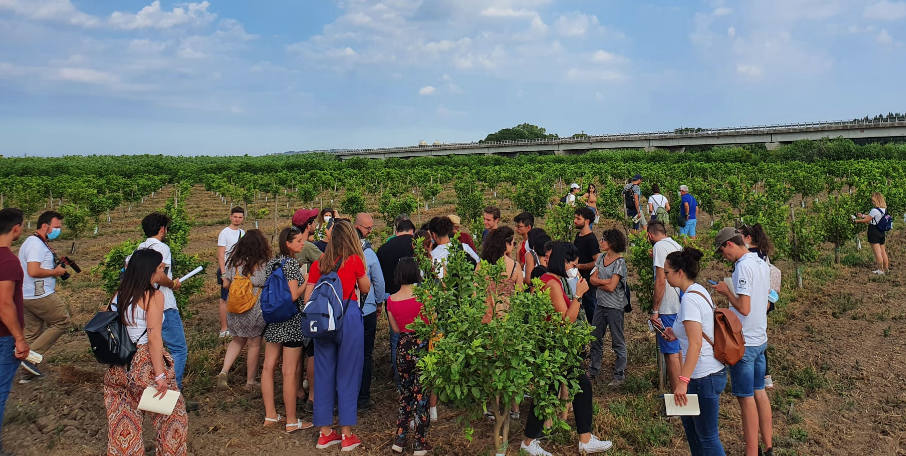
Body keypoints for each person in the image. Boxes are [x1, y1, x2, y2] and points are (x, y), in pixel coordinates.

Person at [520, 243, 613, 456]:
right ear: (562, 261)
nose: (575, 268)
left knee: (578, 387)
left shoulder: (549, 280)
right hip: (556, 347)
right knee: (555, 391)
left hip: (556, 347)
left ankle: (584, 439)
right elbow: (565, 321)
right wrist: (579, 296)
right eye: (573, 263)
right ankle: (529, 442)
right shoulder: (552, 283)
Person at [103, 249, 188, 456]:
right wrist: (160, 375)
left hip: (119, 364)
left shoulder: (119, 293)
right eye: (160, 268)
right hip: (144, 362)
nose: (162, 272)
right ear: (150, 270)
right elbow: (154, 337)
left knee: (123, 423)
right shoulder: (154, 296)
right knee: (172, 418)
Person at [303, 220, 371, 451]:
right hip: (348, 316)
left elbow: (307, 299)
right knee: (348, 374)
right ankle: (346, 435)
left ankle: (324, 433)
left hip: (323, 321)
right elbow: (365, 289)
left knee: (323, 374)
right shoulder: (354, 260)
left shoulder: (319, 263)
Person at [661, 247, 729, 456]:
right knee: (693, 431)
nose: (665, 277)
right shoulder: (698, 291)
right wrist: (676, 333)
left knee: (707, 437)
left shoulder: (689, 299)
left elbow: (696, 343)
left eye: (667, 273)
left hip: (702, 377)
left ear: (680, 272)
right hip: (704, 374)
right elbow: (696, 331)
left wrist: (683, 381)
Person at [712, 228, 773, 456]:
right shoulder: (761, 262)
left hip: (744, 344)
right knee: (760, 392)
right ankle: (768, 446)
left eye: (722, 252)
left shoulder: (742, 267)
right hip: (760, 339)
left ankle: (751, 452)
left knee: (746, 399)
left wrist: (726, 292)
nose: (723, 257)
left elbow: (744, 308)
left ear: (729, 244)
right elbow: (763, 303)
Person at [261, 227, 315, 432]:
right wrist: (307, 280)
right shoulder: (291, 264)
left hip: (274, 321)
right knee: (289, 370)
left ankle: (271, 415)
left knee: (268, 367)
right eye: (299, 241)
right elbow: (294, 295)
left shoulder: (271, 263)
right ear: (288, 244)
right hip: (291, 322)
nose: (303, 243)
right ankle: (292, 420)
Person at [134, 213, 189, 390]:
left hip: (143, 304)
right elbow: (159, 277)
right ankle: (174, 391)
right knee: (179, 350)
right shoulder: (162, 248)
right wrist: (173, 284)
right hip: (164, 306)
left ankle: (154, 384)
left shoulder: (140, 248)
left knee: (152, 348)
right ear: (162, 229)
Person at [17, 211, 69, 382]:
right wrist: (55, 271)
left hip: (27, 295)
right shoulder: (36, 245)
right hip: (39, 295)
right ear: (45, 226)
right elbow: (33, 270)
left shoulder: (34, 242)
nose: (58, 230)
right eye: (56, 227)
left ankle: (27, 374)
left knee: (33, 332)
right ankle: (30, 357)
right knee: (62, 321)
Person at [388, 257, 432, 455]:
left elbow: (396, 329)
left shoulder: (391, 300)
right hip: (422, 346)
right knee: (421, 396)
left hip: (403, 347)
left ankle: (400, 438)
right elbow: (432, 323)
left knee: (405, 394)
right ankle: (420, 442)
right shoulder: (425, 297)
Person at [217, 229, 270, 391]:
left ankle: (224, 371)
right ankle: (250, 381)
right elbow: (265, 281)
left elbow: (226, 283)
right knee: (254, 343)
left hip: (235, 306)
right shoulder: (263, 263)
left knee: (237, 339)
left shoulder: (234, 262)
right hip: (254, 308)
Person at [0, 208, 28, 454]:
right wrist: (19, 338)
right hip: (3, 337)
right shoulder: (7, 261)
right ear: (16, 228)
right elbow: (4, 304)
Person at [377, 219, 416, 389]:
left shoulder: (383, 249)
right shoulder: (416, 245)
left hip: (393, 299)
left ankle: (400, 381)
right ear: (411, 231)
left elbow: (378, 277)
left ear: (397, 230)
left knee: (396, 341)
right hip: (416, 297)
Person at [737, 223, 777, 389]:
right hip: (764, 300)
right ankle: (765, 376)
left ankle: (762, 376)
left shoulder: (748, 258)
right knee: (760, 336)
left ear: (748, 238)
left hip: (754, 302)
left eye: (740, 236)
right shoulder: (762, 253)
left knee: (753, 338)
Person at [588, 229, 628, 386]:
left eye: (604, 239)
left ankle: (619, 374)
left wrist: (601, 283)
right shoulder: (602, 258)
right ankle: (593, 370)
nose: (601, 241)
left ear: (611, 243)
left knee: (617, 341)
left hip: (614, 307)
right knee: (595, 338)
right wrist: (606, 282)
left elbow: (612, 287)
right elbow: (593, 280)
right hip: (601, 304)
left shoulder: (619, 262)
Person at [354, 213, 386, 412]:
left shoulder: (339, 251)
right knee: (365, 354)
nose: (370, 231)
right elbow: (379, 281)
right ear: (357, 227)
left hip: (345, 311)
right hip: (366, 311)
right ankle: (363, 396)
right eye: (367, 228)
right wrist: (379, 302)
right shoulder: (368, 253)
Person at [647, 220, 683, 389]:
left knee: (670, 353)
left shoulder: (659, 247)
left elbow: (661, 280)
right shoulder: (676, 245)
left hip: (668, 306)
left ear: (650, 235)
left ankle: (678, 397)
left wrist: (655, 310)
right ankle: (684, 391)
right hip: (680, 303)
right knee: (679, 349)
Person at [479, 227, 524, 323]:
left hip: (484, 315)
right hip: (505, 316)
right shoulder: (515, 267)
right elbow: (519, 294)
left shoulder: (482, 264)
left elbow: (474, 290)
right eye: (513, 243)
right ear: (506, 244)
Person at [217, 207, 246, 338]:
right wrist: (223, 275)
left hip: (238, 270)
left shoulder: (242, 233)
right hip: (227, 270)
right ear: (230, 217)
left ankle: (237, 325)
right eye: (235, 217)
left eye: (240, 217)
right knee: (224, 298)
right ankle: (224, 328)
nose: (237, 219)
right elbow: (221, 255)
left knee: (238, 296)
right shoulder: (224, 233)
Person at [573, 207, 600, 322]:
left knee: (591, 313)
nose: (575, 221)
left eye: (578, 219)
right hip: (578, 280)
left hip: (588, 283)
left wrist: (579, 266)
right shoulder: (578, 237)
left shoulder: (591, 239)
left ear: (587, 221)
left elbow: (597, 261)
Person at [854, 192, 890, 274]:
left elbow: (868, 220)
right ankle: (886, 269)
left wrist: (856, 221)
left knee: (877, 252)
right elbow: (873, 217)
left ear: (877, 200)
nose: (872, 202)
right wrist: (863, 215)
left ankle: (880, 270)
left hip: (874, 231)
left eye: (873, 201)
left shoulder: (874, 210)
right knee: (883, 251)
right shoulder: (884, 210)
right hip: (881, 231)